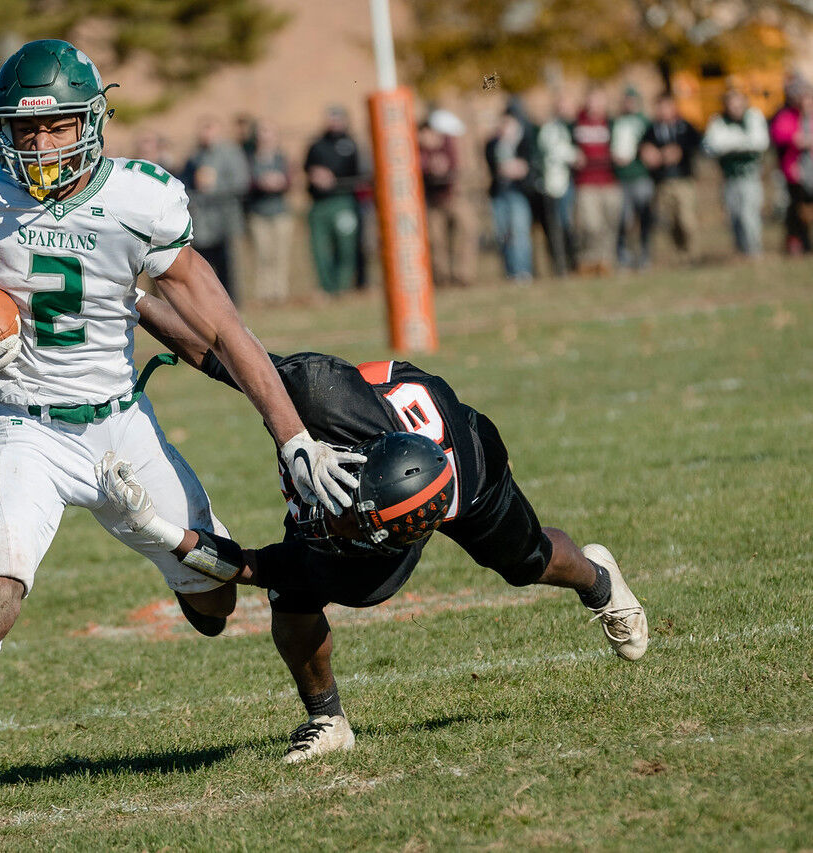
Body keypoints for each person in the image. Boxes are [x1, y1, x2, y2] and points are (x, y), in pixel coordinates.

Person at [0, 39, 361, 829]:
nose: (41, 144)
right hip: (24, 428)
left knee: (215, 602)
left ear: (92, 121)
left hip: (119, 427)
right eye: (26, 128)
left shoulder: (139, 198)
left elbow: (224, 329)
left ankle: (179, 565)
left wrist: (290, 434)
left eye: (58, 126)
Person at [102, 294, 649, 761]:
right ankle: (328, 720)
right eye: (343, 516)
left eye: (349, 528)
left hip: (467, 467)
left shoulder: (370, 560)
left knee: (527, 561)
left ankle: (597, 579)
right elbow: (220, 351)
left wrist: (159, 529)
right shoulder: (318, 398)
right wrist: (128, 297)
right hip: (388, 432)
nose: (330, 527)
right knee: (291, 598)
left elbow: (250, 564)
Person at [181, 117, 250, 301]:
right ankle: (208, 303)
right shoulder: (194, 156)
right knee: (202, 266)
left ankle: (231, 302)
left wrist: (215, 186)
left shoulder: (231, 153)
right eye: (203, 130)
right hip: (201, 223)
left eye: (209, 129)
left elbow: (241, 182)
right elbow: (185, 185)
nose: (206, 134)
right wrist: (195, 190)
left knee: (226, 264)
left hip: (223, 220)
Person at [703, 90, 769, 257]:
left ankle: (754, 251)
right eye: (731, 105)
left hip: (750, 175)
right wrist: (742, 141)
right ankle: (741, 251)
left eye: (738, 104)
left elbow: (760, 143)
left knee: (750, 214)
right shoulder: (718, 121)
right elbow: (712, 146)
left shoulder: (754, 117)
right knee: (734, 214)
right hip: (729, 177)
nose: (735, 108)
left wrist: (730, 143)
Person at [304, 106, 361, 296]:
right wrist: (316, 175)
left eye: (337, 118)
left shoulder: (351, 145)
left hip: (342, 200)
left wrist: (333, 178)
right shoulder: (316, 145)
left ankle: (343, 285)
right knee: (320, 248)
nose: (333, 122)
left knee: (346, 246)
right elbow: (307, 168)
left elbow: (357, 172)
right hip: (319, 203)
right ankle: (326, 287)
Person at [640, 94, 701, 263]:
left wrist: (680, 151)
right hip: (662, 182)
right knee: (671, 222)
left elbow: (698, 144)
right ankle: (681, 255)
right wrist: (647, 153)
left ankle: (692, 253)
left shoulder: (685, 127)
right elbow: (643, 150)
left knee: (687, 220)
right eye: (660, 107)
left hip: (683, 180)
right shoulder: (651, 130)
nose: (663, 111)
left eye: (666, 106)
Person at [419, 111, 477, 288]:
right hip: (433, 201)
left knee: (467, 232)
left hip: (454, 197)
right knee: (436, 241)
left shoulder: (449, 144)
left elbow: (458, 165)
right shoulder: (419, 152)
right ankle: (442, 277)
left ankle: (463, 275)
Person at [571, 88, 622, 276]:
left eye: (599, 100)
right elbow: (565, 144)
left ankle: (606, 261)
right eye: (592, 100)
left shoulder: (612, 123)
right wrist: (572, 155)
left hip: (609, 181)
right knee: (591, 225)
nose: (595, 104)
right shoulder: (576, 123)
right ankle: (588, 261)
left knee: (609, 224)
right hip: (586, 181)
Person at [484, 101, 537, 281]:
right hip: (499, 194)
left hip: (518, 193)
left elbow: (528, 166)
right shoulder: (494, 143)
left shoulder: (525, 140)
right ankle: (510, 272)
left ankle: (523, 271)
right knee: (503, 234)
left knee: (519, 233)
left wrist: (519, 168)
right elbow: (494, 166)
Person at [245, 120, 294, 304]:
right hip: (259, 213)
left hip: (281, 213)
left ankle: (280, 293)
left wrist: (281, 182)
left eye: (269, 132)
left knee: (280, 254)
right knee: (262, 254)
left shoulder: (282, 158)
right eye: (262, 131)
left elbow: (291, 180)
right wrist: (261, 183)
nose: (265, 136)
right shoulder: (250, 159)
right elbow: (246, 182)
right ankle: (263, 294)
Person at [536, 95, 580, 276]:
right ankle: (561, 266)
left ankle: (575, 262)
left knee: (570, 224)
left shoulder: (575, 126)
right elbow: (554, 150)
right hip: (554, 184)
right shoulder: (550, 129)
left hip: (573, 182)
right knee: (557, 225)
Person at [769, 81, 813, 254]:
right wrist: (798, 139)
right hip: (796, 170)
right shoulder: (787, 115)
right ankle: (798, 242)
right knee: (797, 210)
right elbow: (780, 134)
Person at [612, 87, 654, 269]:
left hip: (642, 176)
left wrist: (644, 152)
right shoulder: (616, 122)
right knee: (624, 220)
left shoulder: (646, 122)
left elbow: (652, 148)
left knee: (645, 217)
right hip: (621, 178)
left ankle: (645, 255)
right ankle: (624, 256)